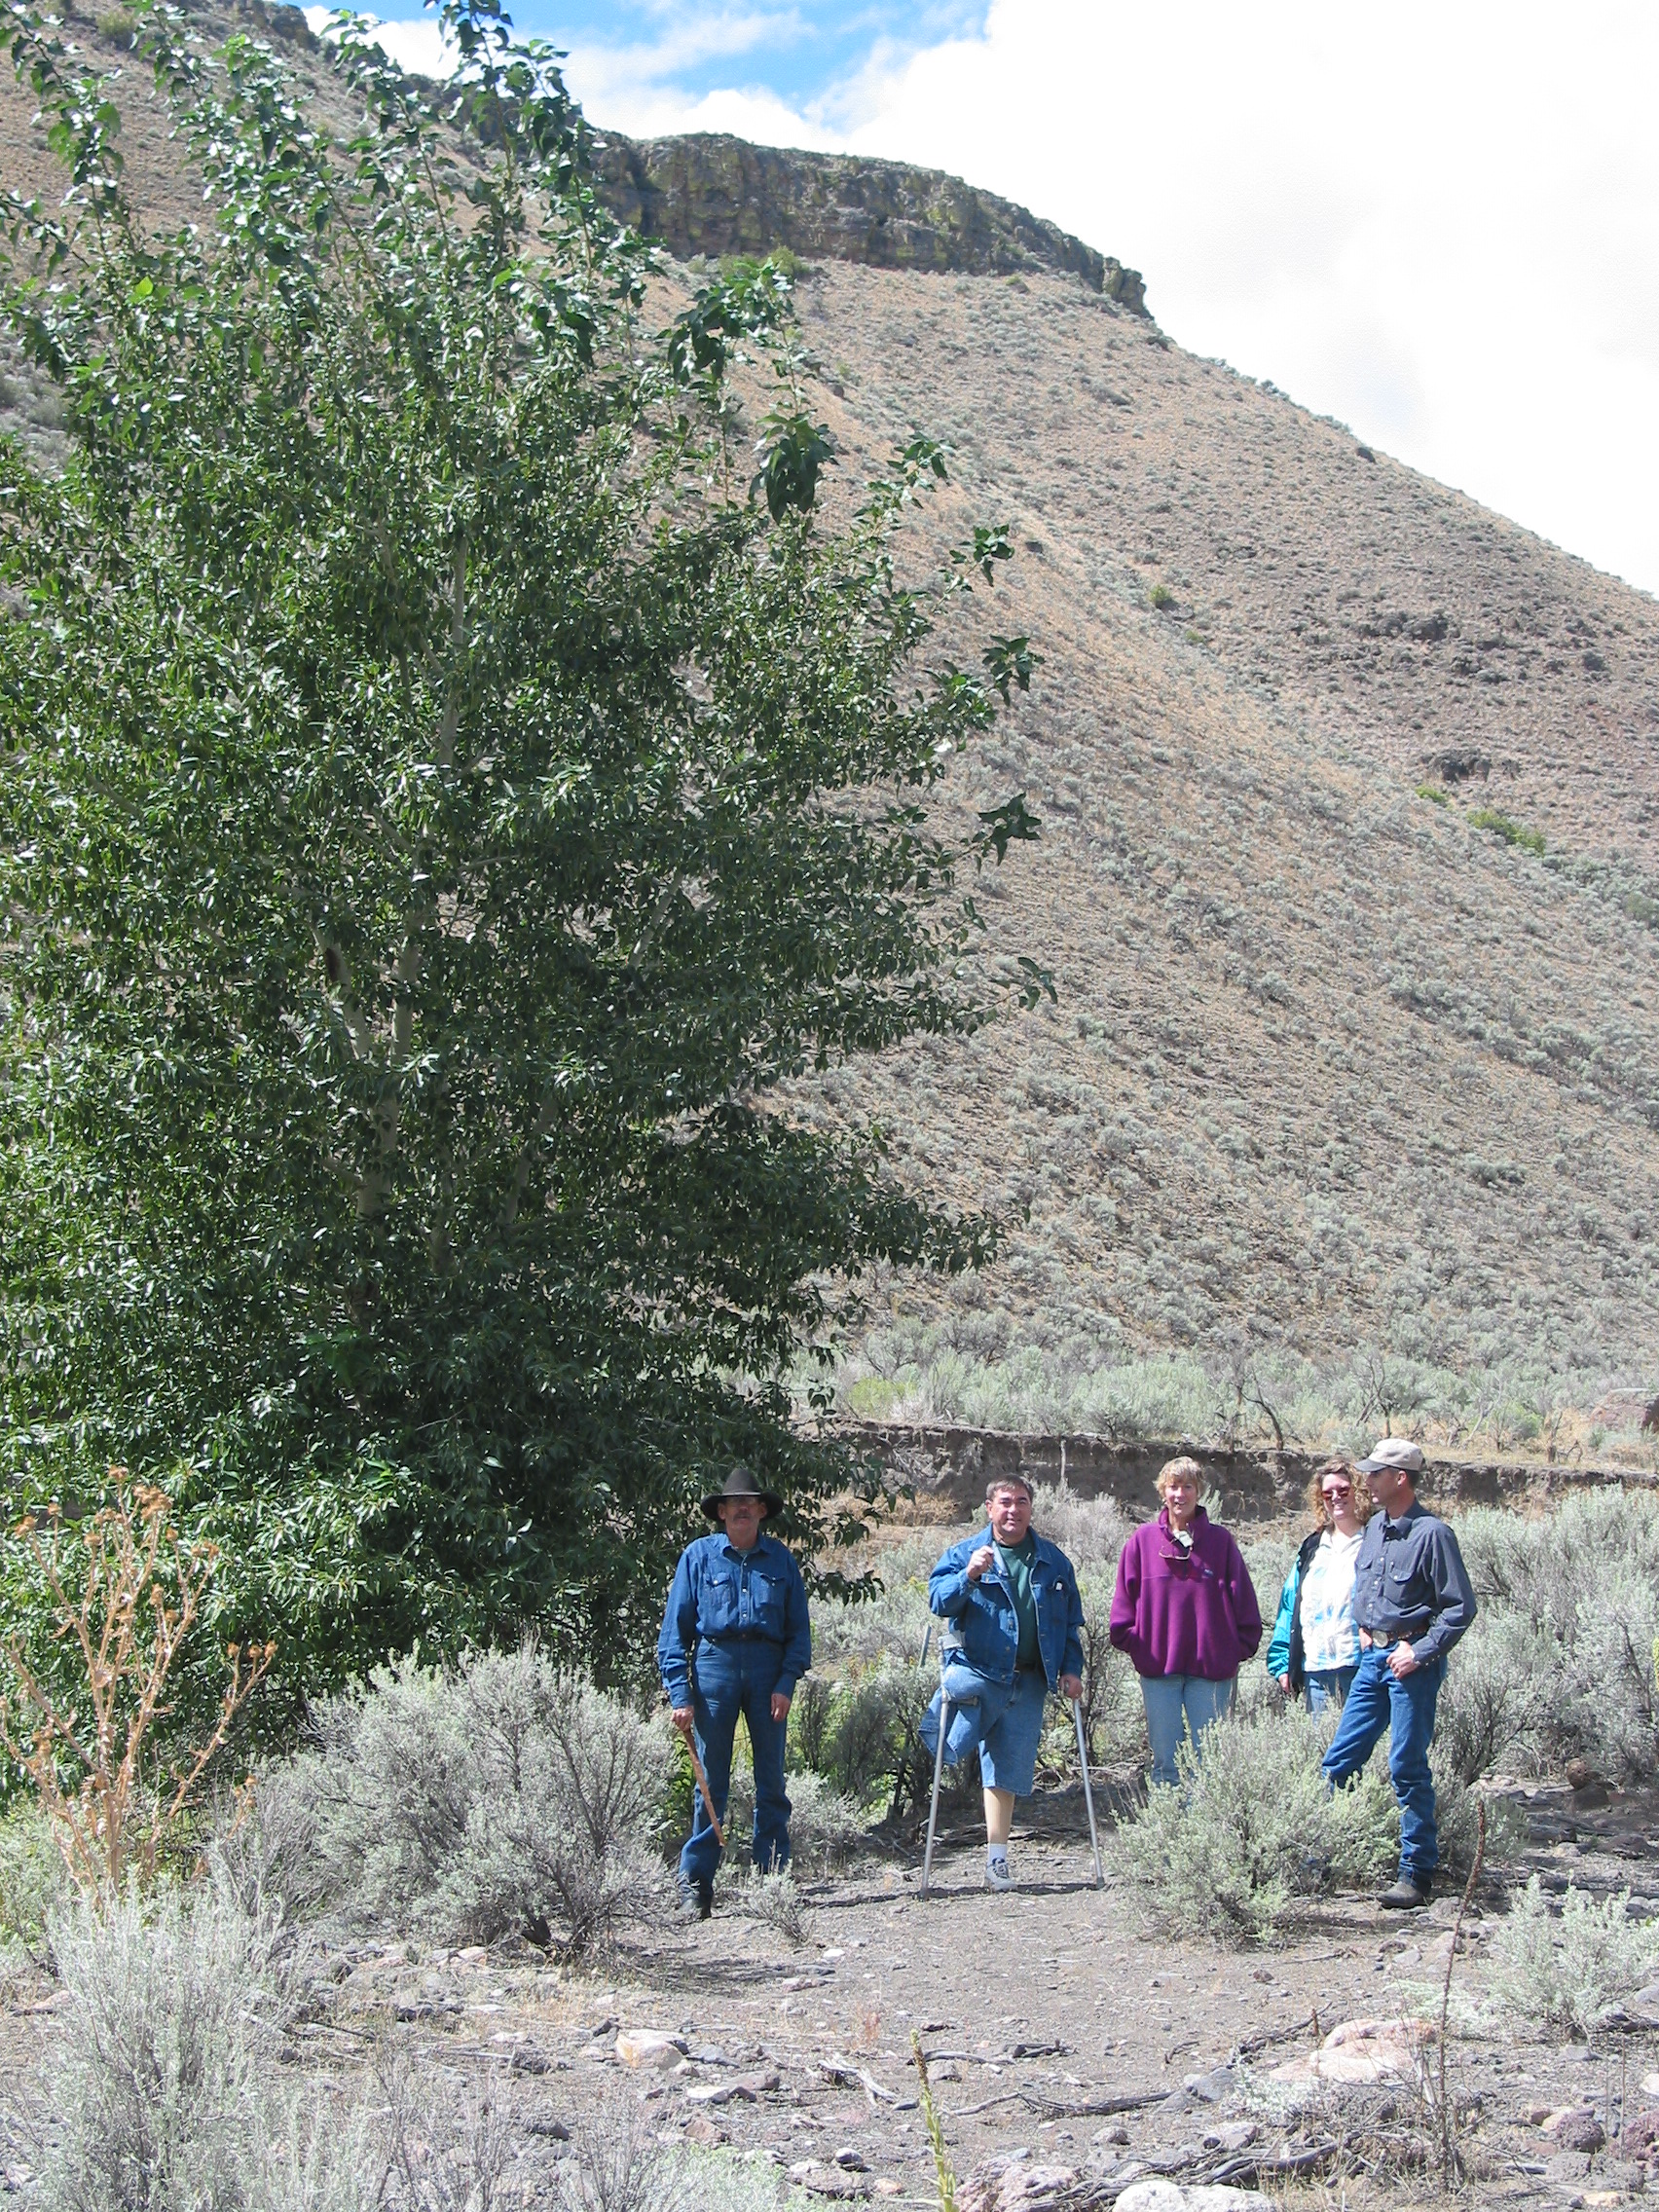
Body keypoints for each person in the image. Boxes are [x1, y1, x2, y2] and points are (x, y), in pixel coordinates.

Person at [1321, 1437, 1477, 1910]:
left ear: (1400, 1478)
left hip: (1413, 1667)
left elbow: (1459, 1608)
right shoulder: (1374, 1531)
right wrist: (1366, 1629)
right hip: (1373, 1662)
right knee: (1339, 1760)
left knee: (1405, 1766)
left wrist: (1420, 1651)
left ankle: (1416, 1873)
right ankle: (1324, 1855)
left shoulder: (1433, 1534)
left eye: (1375, 1473)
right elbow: (1366, 1591)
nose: (1366, 1481)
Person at [656, 1465, 812, 1920]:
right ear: (721, 1512)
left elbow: (798, 1633)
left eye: (750, 1504)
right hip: (714, 1668)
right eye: (733, 1505)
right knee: (710, 1783)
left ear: (761, 1511)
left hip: (767, 1673)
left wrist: (786, 1682)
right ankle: (696, 1888)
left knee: (771, 1780)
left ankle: (772, 1882)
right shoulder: (698, 1557)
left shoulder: (781, 1560)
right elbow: (674, 1632)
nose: (742, 1510)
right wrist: (680, 1694)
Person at [924, 1476, 1085, 1892]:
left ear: (1031, 1508)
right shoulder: (963, 1553)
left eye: (1022, 1502)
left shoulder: (1052, 1560)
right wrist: (970, 1576)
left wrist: (1072, 1669)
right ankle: (931, 1852)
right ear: (989, 1508)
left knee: (1006, 1771)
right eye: (1005, 1502)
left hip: (1029, 1679)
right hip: (978, 1675)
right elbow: (939, 1601)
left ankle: (997, 1862)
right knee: (942, 1748)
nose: (1013, 1510)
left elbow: (1069, 1625)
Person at [1110, 1456, 1262, 1789]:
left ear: (1199, 1491)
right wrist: (1138, 1643)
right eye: (1173, 1486)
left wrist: (1233, 1649)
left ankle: (1204, 1835)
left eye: (1188, 1487)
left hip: (1210, 1673)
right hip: (1158, 1670)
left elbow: (1244, 1601)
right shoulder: (1142, 1541)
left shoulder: (1220, 1542)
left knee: (1207, 1762)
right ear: (1163, 1491)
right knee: (1165, 1761)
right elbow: (1123, 1604)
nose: (1180, 1494)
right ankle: (1169, 1834)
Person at [1266, 1457, 1374, 1714]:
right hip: (1315, 1672)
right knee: (1323, 1749)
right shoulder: (1312, 1548)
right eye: (1328, 1493)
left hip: (1363, 1669)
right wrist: (1282, 1665)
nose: (1335, 1497)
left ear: (1358, 1492)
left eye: (1343, 1490)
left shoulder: (1374, 1541)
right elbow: (1290, 1608)